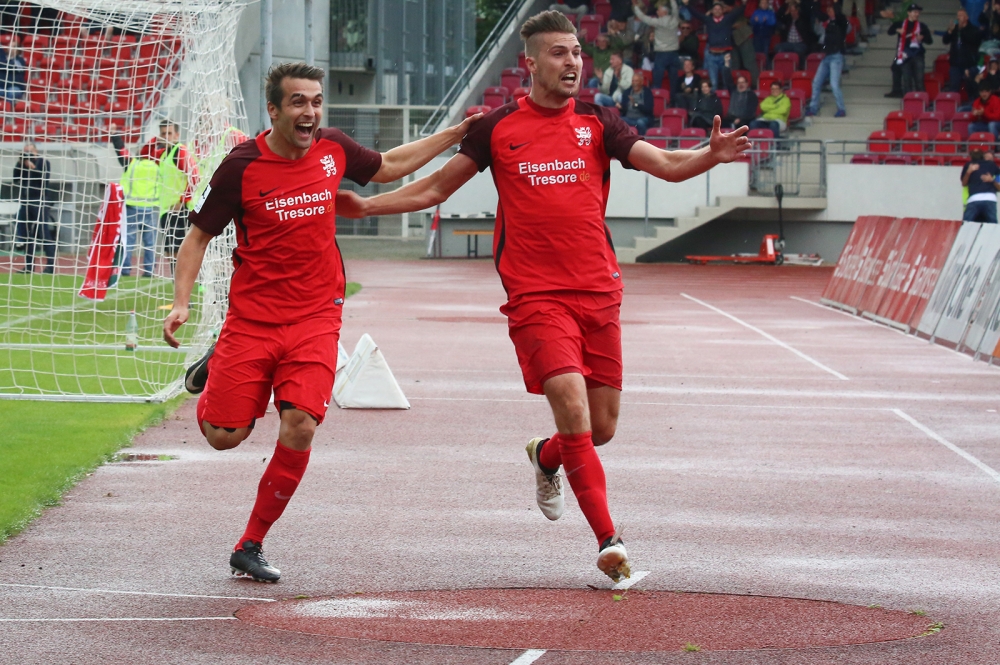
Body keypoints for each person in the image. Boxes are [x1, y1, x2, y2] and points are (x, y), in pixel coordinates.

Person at [334, 10, 751, 582]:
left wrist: (709, 155)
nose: (573, 61)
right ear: (529, 62)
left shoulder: (599, 121)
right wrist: (365, 206)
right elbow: (433, 188)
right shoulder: (496, 127)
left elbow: (666, 164)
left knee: (601, 428)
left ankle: (545, 455)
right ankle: (610, 543)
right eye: (559, 52)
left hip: (599, 291)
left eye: (577, 51)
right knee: (573, 409)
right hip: (535, 296)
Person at [162, 62, 480, 583]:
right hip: (252, 320)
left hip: (316, 316)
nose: (309, 111)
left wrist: (456, 133)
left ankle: (250, 542)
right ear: (273, 110)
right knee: (222, 436)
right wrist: (181, 303)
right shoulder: (240, 167)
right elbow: (197, 237)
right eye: (298, 102)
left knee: (301, 425)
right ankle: (216, 366)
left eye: (315, 101)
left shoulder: (333, 147)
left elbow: (390, 165)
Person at [138, 120, 199, 272]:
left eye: (169, 133)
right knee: (170, 251)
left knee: (178, 250)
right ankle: (177, 283)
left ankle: (185, 284)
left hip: (179, 209)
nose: (166, 136)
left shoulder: (180, 152)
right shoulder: (164, 154)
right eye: (163, 134)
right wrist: (155, 140)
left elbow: (195, 177)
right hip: (166, 209)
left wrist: (183, 200)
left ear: (177, 135)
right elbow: (144, 154)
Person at [682, 0, 744, 91]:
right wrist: (687, 4)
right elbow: (696, 14)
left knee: (726, 83)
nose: (717, 11)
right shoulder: (709, 20)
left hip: (725, 56)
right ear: (712, 11)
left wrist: (745, 3)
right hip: (712, 57)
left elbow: (738, 11)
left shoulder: (728, 19)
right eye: (715, 9)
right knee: (713, 84)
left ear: (723, 11)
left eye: (719, 9)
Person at [14, 142, 52, 274]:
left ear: (35, 151)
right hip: (26, 201)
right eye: (25, 152)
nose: (28, 154)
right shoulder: (22, 164)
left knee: (44, 233)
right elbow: (15, 178)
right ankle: (29, 266)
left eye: (29, 151)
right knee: (26, 234)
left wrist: (32, 167)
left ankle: (50, 266)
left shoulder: (44, 163)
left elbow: (44, 179)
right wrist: (21, 163)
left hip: (39, 201)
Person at [806, 2, 847, 118]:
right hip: (827, 56)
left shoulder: (841, 22)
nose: (828, 12)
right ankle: (813, 108)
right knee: (816, 82)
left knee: (834, 84)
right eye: (828, 10)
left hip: (836, 57)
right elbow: (818, 14)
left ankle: (841, 109)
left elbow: (841, 18)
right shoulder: (827, 22)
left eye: (831, 10)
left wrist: (835, 4)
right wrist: (815, 3)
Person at [632, 0, 680, 92]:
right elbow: (675, 9)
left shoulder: (657, 22)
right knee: (674, 82)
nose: (657, 12)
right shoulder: (675, 20)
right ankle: (673, 99)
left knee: (657, 81)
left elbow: (643, 17)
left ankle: (656, 97)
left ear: (664, 12)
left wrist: (636, 7)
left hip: (662, 55)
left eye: (659, 10)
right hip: (674, 54)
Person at [887, 4, 932, 96]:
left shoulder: (922, 26)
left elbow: (930, 41)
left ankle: (922, 99)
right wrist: (897, 30)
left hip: (917, 55)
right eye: (915, 12)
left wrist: (922, 38)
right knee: (906, 79)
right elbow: (889, 32)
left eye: (918, 12)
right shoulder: (900, 24)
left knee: (919, 79)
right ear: (908, 13)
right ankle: (904, 97)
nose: (917, 14)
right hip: (903, 55)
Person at [944, 9, 981, 97]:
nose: (958, 17)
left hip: (968, 64)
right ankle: (953, 103)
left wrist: (961, 30)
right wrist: (949, 31)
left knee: (971, 88)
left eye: (961, 15)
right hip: (955, 64)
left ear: (967, 17)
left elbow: (973, 40)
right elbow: (945, 40)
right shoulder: (954, 28)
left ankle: (972, 103)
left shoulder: (973, 29)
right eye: (958, 15)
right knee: (954, 87)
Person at [961, 149, 1000, 223]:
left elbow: (964, 183)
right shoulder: (992, 166)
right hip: (987, 199)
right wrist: (969, 172)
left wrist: (992, 180)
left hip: (974, 199)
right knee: (992, 225)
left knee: (966, 225)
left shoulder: (969, 164)